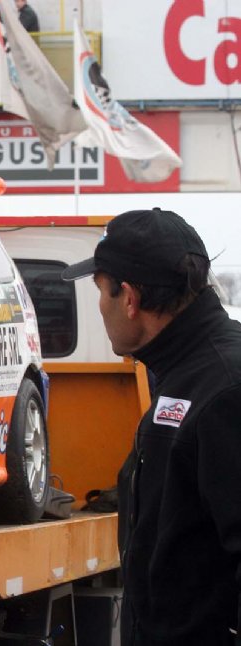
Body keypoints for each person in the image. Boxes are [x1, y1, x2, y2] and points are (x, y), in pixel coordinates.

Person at [62, 208, 241, 645]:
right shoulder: (184, 374)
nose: (100, 307)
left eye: (100, 291)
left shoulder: (225, 387)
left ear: (129, 298)